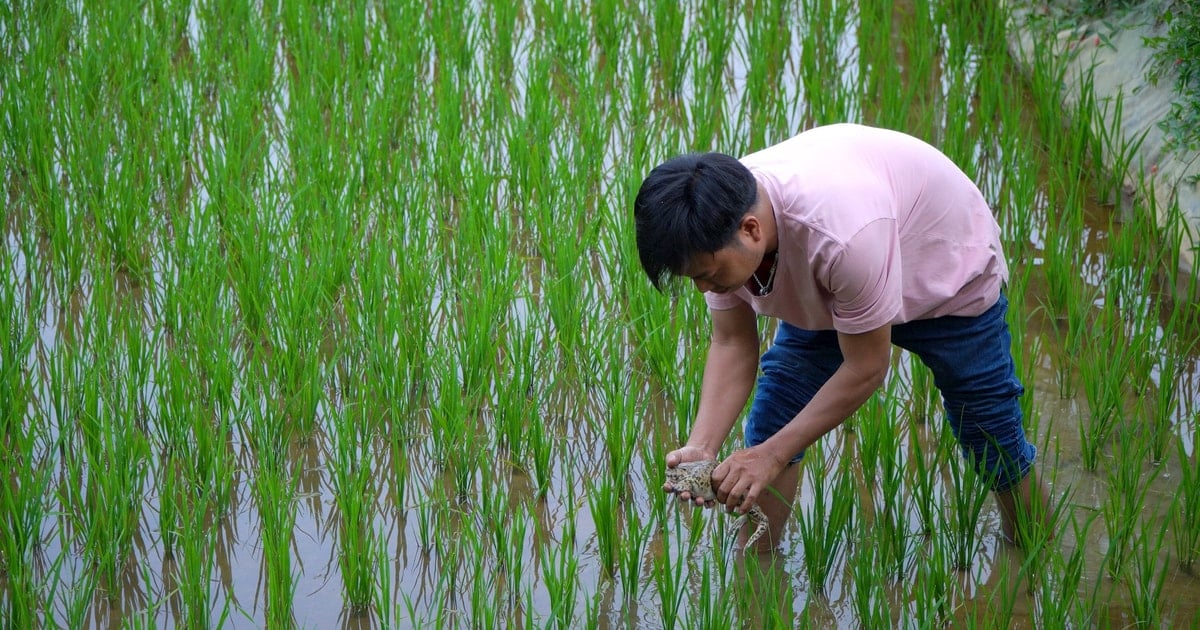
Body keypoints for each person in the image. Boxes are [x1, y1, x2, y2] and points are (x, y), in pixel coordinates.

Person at [634, 123, 1050, 552]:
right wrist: (703, 445)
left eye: (707, 276)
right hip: (840, 287)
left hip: (943, 275)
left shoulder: (841, 237)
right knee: (775, 419)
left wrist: (771, 456)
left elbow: (867, 366)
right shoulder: (715, 226)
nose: (704, 289)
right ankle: (755, 576)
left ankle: (1034, 559)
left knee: (991, 435)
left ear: (752, 230)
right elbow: (732, 343)